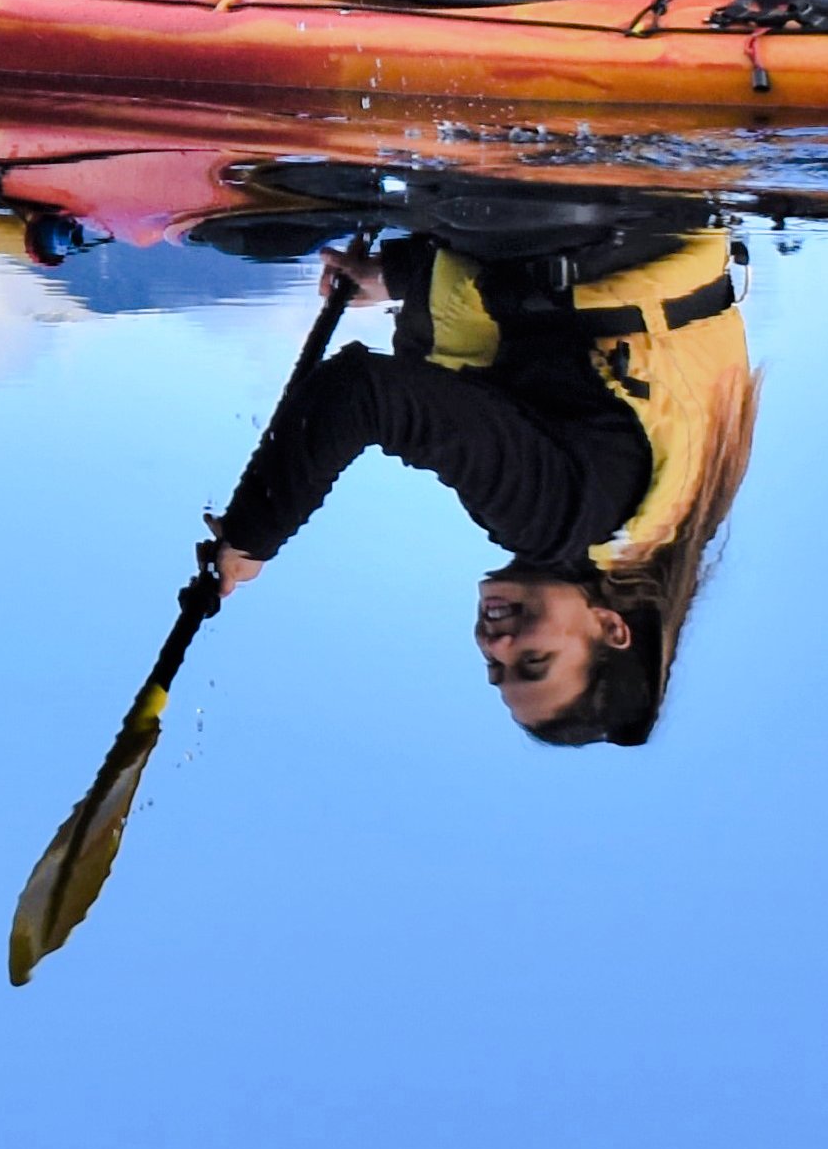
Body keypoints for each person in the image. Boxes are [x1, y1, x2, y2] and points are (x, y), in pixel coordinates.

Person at [205, 200, 757, 746]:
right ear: (611, 628)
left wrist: (398, 277)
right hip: (557, 206)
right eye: (534, 660)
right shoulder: (555, 522)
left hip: (647, 213)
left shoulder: (657, 519)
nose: (498, 646)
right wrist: (253, 538)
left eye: (497, 670)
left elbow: (550, 338)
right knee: (244, 230)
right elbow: (360, 394)